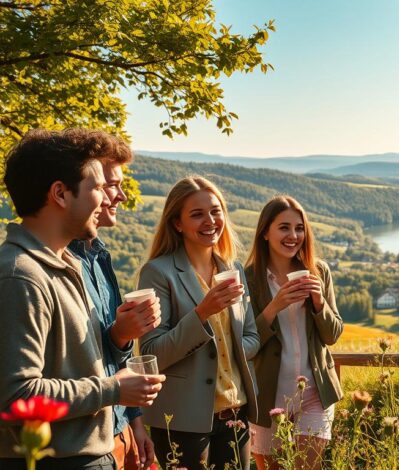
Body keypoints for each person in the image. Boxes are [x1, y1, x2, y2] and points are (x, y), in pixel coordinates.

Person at [0, 129, 165, 470]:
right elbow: (17, 395)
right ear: (60, 193)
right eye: (98, 188)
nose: (106, 199)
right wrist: (112, 390)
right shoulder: (21, 276)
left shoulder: (67, 263)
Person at [138, 176, 259, 470]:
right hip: (182, 419)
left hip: (235, 413)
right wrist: (201, 313)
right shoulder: (158, 272)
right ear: (177, 223)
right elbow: (153, 352)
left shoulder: (234, 269)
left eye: (216, 211)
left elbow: (252, 337)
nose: (210, 220)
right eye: (197, 214)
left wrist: (228, 347)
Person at [68, 143, 161, 470]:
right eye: (110, 186)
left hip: (119, 429)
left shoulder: (100, 255)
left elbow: (113, 352)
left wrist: (136, 425)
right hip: (89, 441)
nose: (119, 196)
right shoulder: (61, 265)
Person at [244, 195, 343, 470]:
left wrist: (318, 303)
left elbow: (332, 334)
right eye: (284, 227)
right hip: (268, 397)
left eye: (299, 228)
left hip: (314, 392)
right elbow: (244, 341)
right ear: (265, 232)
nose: (294, 235)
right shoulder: (249, 278)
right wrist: (275, 306)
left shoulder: (318, 271)